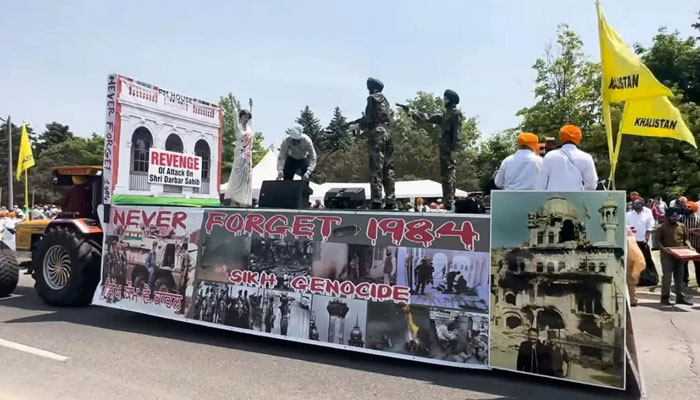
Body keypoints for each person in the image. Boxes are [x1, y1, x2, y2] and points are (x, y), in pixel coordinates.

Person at [405, 90, 462, 210]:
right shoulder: (445, 114)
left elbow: (457, 132)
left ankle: (449, 202)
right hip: (444, 148)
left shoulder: (455, 113)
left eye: (446, 98)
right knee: (445, 176)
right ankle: (447, 201)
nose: (444, 100)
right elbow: (427, 117)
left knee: (449, 175)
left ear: (451, 100)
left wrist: (454, 150)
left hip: (450, 149)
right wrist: (410, 112)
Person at [350, 77, 395, 209]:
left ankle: (376, 200)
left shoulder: (372, 98)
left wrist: (357, 125)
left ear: (371, 87)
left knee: (376, 167)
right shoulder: (385, 100)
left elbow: (370, 118)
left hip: (377, 134)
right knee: (389, 168)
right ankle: (391, 200)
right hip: (387, 132)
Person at [537, 124, 598, 191]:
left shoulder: (550, 156)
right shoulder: (586, 158)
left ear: (561, 138)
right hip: (576, 199)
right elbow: (591, 185)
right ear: (579, 139)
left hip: (553, 199)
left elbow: (541, 184)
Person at [656, 207, 693, 306]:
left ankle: (680, 298)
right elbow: (658, 242)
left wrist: (689, 246)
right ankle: (665, 298)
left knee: (680, 277)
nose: (675, 218)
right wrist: (664, 249)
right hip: (667, 255)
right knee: (667, 277)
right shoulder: (661, 227)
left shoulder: (682, 226)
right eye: (673, 216)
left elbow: (686, 239)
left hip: (680, 255)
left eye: (676, 216)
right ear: (668, 216)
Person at [225, 107, 254, 207]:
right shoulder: (238, 128)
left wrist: (251, 108)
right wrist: (235, 111)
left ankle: (244, 201)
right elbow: (235, 120)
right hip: (240, 155)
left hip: (248, 156)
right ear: (241, 117)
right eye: (244, 117)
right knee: (237, 176)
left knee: (246, 178)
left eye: (247, 117)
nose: (246, 119)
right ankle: (234, 200)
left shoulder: (249, 128)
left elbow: (251, 122)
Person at [626, 198, 656, 283]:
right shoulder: (627, 215)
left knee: (645, 261)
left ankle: (647, 279)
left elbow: (650, 227)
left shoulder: (646, 215)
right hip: (632, 243)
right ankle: (633, 279)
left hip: (643, 242)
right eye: (634, 204)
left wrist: (646, 238)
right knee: (633, 262)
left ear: (642, 205)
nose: (635, 205)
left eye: (637, 204)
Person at [681, 201, 700, 288]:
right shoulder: (682, 219)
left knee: (698, 265)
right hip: (685, 246)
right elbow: (679, 230)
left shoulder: (698, 219)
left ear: (694, 209)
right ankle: (684, 281)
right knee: (683, 265)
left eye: (689, 207)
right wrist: (689, 231)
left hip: (697, 245)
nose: (686, 208)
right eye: (686, 207)